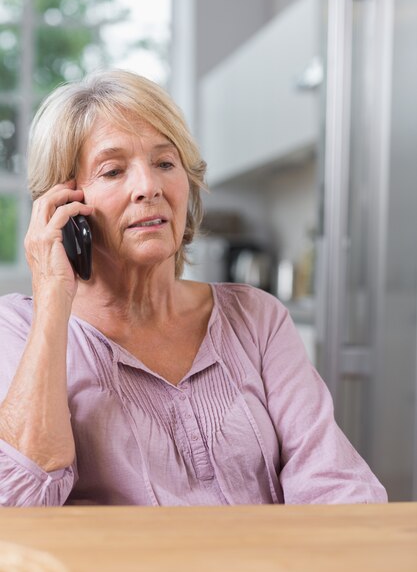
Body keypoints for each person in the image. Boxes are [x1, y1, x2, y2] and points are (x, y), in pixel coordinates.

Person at [0, 69, 387, 507]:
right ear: (64, 206)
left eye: (165, 163)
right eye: (113, 171)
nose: (149, 187)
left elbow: (334, 483)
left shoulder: (256, 319)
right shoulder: (18, 329)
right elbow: (18, 505)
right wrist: (53, 294)